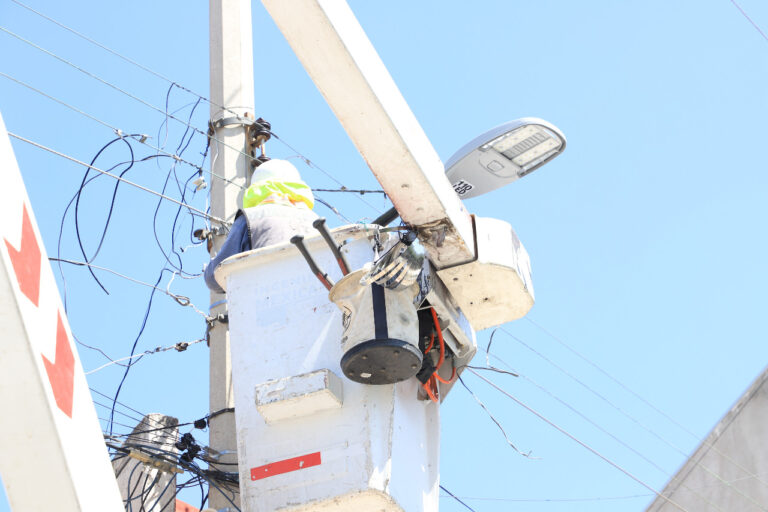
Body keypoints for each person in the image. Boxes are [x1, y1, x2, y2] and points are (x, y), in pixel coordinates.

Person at [204, 158, 318, 293]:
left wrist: (209, 267)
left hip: (265, 305)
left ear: (256, 190)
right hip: (317, 305)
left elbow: (215, 276)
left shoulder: (251, 218)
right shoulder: (317, 223)